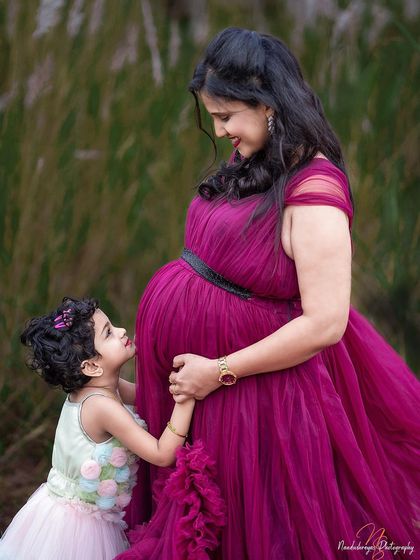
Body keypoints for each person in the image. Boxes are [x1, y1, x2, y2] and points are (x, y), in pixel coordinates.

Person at [121, 28, 420, 560]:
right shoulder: (256, 158)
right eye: (212, 116)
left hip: (252, 396)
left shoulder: (314, 194)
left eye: (226, 115)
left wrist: (218, 371)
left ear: (269, 105)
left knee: (257, 533)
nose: (218, 130)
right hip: (202, 383)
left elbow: (326, 324)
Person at [0, 297, 195, 560]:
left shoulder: (102, 387)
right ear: (91, 366)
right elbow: (161, 453)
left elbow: (147, 398)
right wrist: (187, 397)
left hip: (70, 513)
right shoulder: (101, 406)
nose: (122, 331)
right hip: (77, 527)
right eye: (109, 333)